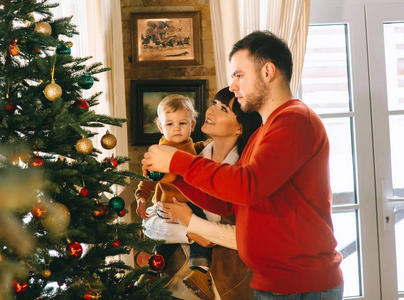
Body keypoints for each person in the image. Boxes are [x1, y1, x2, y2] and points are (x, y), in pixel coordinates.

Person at [141, 30, 344, 300]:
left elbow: (248, 186)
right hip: (274, 284)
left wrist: (178, 160)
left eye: (239, 75)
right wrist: (176, 179)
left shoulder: (294, 120)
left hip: (301, 285)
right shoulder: (264, 131)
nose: (233, 86)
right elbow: (229, 203)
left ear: (268, 71)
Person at [142, 87, 261, 300]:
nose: (210, 111)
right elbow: (151, 223)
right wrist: (187, 233)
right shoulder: (194, 157)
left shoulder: (246, 172)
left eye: (222, 108)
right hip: (177, 280)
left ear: (240, 128)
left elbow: (250, 237)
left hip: (227, 285)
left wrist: (190, 222)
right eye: (214, 104)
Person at [134, 94, 213, 295]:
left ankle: (163, 271)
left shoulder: (192, 146)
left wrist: (202, 146)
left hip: (189, 202)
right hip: (168, 203)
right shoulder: (160, 151)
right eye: (169, 124)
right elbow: (148, 179)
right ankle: (197, 270)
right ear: (161, 127)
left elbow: (192, 151)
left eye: (182, 123)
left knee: (171, 242)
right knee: (194, 232)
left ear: (192, 125)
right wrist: (141, 197)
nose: (176, 128)